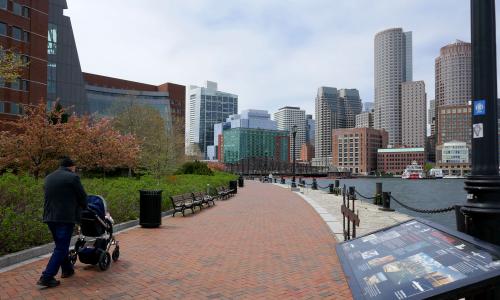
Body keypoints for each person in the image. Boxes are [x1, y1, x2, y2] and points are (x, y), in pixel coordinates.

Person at [37, 157, 87, 288]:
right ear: (72, 167)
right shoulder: (73, 177)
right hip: (65, 218)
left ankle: (67, 269)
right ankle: (47, 277)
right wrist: (84, 206)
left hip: (49, 217)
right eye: (75, 168)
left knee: (61, 245)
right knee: (61, 247)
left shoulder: (49, 177)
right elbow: (83, 197)